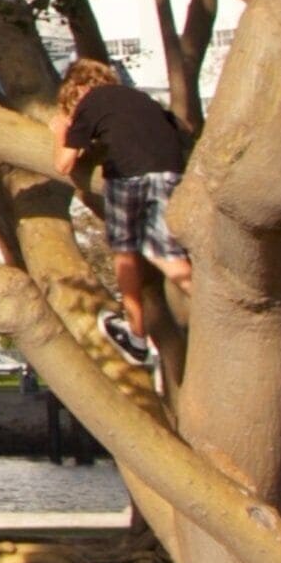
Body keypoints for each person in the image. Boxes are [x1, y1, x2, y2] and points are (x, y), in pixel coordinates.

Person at [49, 58, 194, 371]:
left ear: (78, 88)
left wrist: (62, 131)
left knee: (124, 251)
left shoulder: (90, 102)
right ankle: (210, 299)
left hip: (129, 177)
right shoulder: (141, 100)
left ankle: (136, 334)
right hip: (170, 174)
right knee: (162, 250)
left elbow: (63, 164)